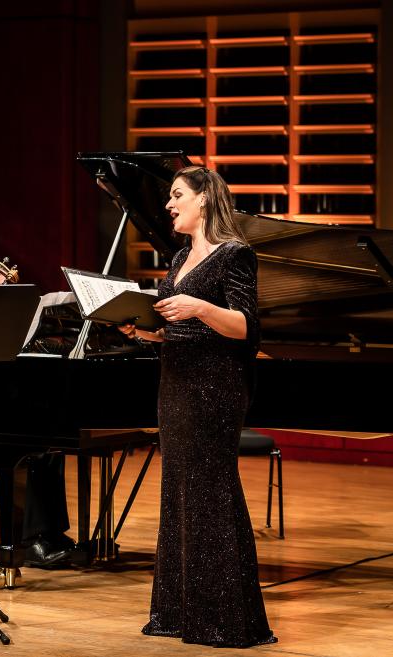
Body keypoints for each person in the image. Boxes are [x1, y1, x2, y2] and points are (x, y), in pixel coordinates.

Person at [120, 166, 276, 647]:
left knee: (211, 494)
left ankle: (226, 620)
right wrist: (146, 330)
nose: (168, 204)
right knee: (180, 495)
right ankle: (180, 612)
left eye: (176, 195)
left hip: (215, 388)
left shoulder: (236, 255)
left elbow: (244, 326)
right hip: (176, 384)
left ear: (205, 199)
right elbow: (177, 327)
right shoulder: (182, 256)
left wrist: (199, 308)